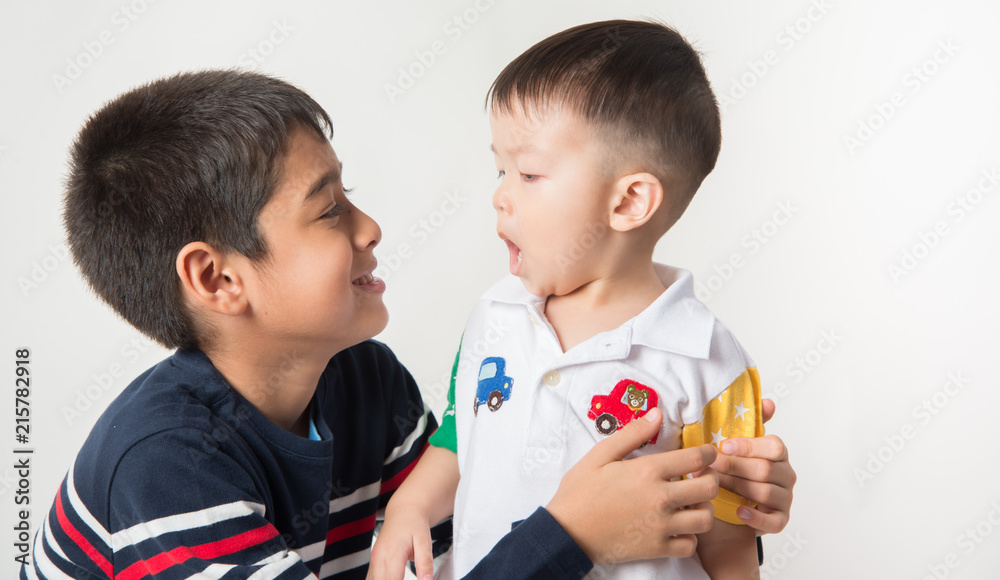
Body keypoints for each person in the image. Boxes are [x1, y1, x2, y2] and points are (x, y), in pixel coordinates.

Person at [21, 69, 793, 580]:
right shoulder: (164, 468)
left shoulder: (363, 380)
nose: (371, 227)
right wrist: (576, 533)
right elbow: (531, 549)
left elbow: (462, 542)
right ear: (219, 278)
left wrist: (704, 504)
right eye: (329, 210)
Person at [371, 20, 790, 579]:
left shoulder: (706, 359)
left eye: (528, 173)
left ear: (629, 201)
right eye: (500, 169)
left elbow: (729, 537)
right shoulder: (494, 316)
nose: (499, 196)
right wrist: (409, 507)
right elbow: (458, 434)